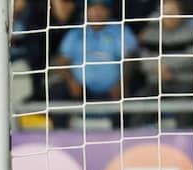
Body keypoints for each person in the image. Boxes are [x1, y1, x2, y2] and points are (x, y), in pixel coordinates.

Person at [51, 0, 139, 128]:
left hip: (112, 90)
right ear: (86, 11)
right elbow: (62, 61)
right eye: (93, 8)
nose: (97, 13)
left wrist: (122, 82)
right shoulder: (77, 32)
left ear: (109, 11)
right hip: (81, 90)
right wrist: (71, 81)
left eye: (102, 8)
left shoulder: (119, 30)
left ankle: (122, 135)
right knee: (57, 91)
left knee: (134, 91)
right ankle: (59, 135)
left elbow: (131, 58)